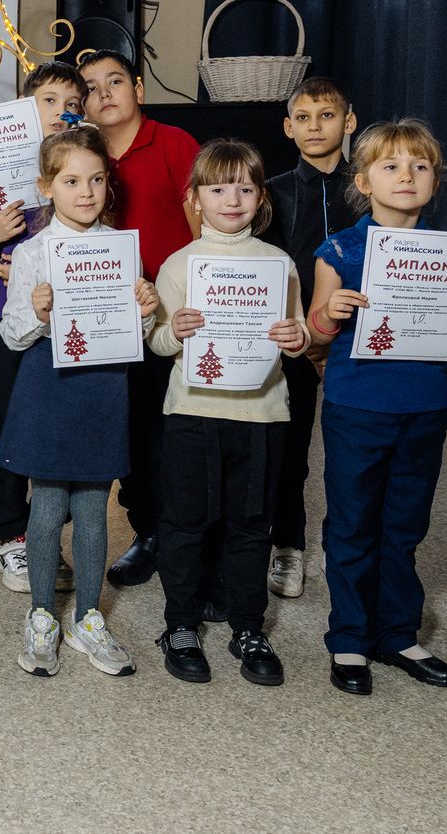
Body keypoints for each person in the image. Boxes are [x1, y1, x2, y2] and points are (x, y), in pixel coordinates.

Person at [307, 119, 447, 696]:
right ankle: (349, 638)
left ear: (436, 181)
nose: (407, 176)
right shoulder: (339, 250)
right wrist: (330, 312)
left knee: (405, 524)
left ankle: (397, 634)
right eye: (391, 166)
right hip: (356, 407)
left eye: (420, 166)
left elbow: (442, 341)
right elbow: (314, 333)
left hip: (423, 407)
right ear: (364, 182)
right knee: (352, 523)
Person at [0, 125, 157, 679]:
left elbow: (135, 334)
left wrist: (146, 310)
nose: (85, 192)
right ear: (47, 187)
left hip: (102, 387)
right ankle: (42, 614)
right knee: (46, 507)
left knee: (92, 507)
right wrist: (38, 312)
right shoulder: (30, 253)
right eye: (70, 181)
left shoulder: (122, 249)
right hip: (49, 385)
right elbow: (11, 335)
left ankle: (87, 617)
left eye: (96, 180)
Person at [148, 140, 310, 687]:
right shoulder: (179, 265)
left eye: (245, 188)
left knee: (251, 525)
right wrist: (176, 332)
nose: (232, 200)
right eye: (218, 189)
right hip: (192, 414)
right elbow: (157, 341)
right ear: (196, 199)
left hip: (261, 415)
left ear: (261, 198)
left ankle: (248, 626)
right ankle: (180, 624)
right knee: (184, 522)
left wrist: (296, 338)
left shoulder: (279, 264)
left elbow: (298, 336)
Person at [78, 50, 201, 587]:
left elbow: (203, 226)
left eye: (115, 81)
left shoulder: (174, 143)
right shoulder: (82, 155)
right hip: (106, 317)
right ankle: (146, 530)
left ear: (139, 90)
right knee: (127, 430)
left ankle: (182, 533)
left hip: (169, 315)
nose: (103, 93)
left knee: (168, 429)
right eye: (91, 86)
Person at [0, 62, 85, 592]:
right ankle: (12, 535)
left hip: (69, 325)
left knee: (59, 430)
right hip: (9, 325)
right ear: (24, 107)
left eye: (70, 103)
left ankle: (47, 531)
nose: (60, 111)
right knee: (6, 425)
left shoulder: (84, 169)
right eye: (48, 100)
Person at [263, 76, 358, 598]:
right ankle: (288, 543)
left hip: (358, 337)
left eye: (326, 116)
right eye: (303, 117)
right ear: (287, 127)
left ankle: (349, 545)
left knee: (353, 447)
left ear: (349, 122)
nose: (314, 127)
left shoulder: (368, 187)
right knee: (291, 445)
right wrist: (301, 335)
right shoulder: (272, 191)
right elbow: (267, 270)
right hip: (295, 336)